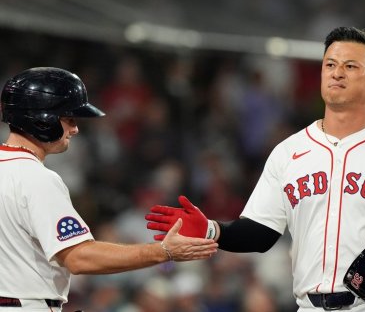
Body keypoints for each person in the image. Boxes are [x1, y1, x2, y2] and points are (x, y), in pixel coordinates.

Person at [146, 27, 365, 311]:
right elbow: (260, 233)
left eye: (350, 66)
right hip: (308, 306)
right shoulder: (288, 152)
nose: (337, 73)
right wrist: (212, 230)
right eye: (330, 65)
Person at [0, 67, 218, 312]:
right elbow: (79, 257)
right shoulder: (36, 178)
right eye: (68, 118)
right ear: (41, 118)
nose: (75, 129)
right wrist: (163, 251)